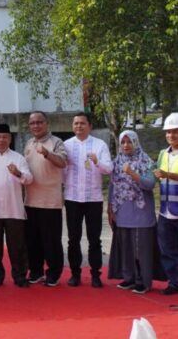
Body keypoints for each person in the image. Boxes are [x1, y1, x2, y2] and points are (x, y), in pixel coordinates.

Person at [63, 112, 112, 288]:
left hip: (93, 198)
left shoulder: (99, 145)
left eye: (82, 123)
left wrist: (97, 162)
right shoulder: (66, 145)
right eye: (76, 123)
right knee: (73, 238)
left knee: (94, 238)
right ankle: (75, 274)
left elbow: (109, 169)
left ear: (90, 126)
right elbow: (60, 171)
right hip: (72, 198)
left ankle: (95, 274)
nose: (79, 126)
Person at [0, 123, 33, 288]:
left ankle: (19, 276)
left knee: (17, 246)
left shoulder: (18, 158)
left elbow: (29, 179)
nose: (1, 140)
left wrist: (18, 173)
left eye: (4, 137)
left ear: (10, 138)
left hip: (14, 209)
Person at [107, 130, 158, 294]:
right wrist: (110, 207)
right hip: (122, 210)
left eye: (129, 142)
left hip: (142, 211)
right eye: (123, 142)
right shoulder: (117, 162)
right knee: (126, 246)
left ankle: (143, 281)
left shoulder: (147, 161)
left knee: (141, 248)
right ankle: (129, 278)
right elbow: (112, 186)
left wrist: (132, 173)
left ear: (136, 143)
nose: (126, 145)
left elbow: (149, 184)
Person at [23, 110, 67, 287]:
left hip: (50, 201)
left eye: (39, 122)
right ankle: (36, 271)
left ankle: (54, 273)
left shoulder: (56, 142)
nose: (36, 126)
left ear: (47, 123)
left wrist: (47, 153)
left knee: (51, 240)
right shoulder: (28, 143)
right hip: (31, 200)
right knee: (32, 240)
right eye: (32, 123)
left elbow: (63, 162)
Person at [154, 112, 178, 295]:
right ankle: (174, 282)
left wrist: (167, 175)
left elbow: (165, 175)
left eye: (175, 132)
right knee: (167, 249)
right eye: (168, 132)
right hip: (165, 210)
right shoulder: (163, 154)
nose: (171, 135)